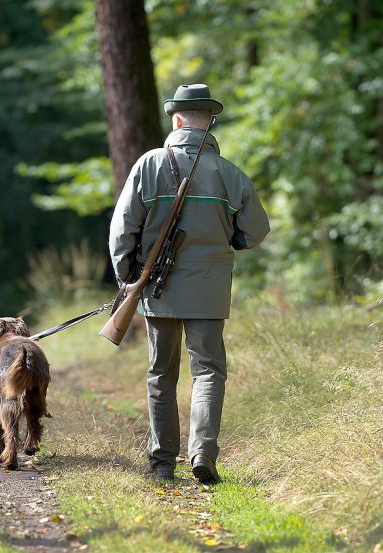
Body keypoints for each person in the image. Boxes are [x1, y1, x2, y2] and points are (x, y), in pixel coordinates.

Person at [107, 83, 270, 483]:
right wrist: (227, 241)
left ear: (176, 120)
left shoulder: (148, 164)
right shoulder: (231, 174)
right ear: (209, 122)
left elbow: (121, 230)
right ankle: (202, 454)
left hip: (158, 287)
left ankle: (162, 463)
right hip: (211, 289)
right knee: (209, 371)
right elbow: (255, 232)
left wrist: (128, 275)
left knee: (161, 373)